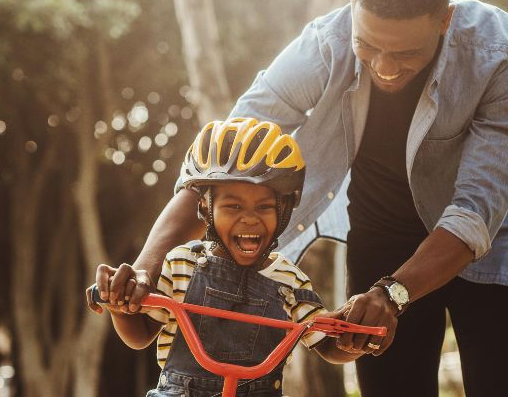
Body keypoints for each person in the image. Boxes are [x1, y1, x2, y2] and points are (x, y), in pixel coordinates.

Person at [101, 0, 508, 395]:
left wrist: (393, 293)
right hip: (384, 232)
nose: (385, 67)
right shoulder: (324, 44)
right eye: (368, 47)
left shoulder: (506, 52)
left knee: (501, 383)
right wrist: (144, 270)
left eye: (406, 53)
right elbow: (225, 162)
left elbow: (473, 213)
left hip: (493, 240)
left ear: (445, 21)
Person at [92, 118, 364, 396]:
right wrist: (119, 304)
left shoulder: (289, 279)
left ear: (284, 211)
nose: (249, 218)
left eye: (264, 207)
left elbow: (326, 344)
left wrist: (353, 339)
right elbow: (140, 335)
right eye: (233, 206)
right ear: (205, 208)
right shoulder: (181, 263)